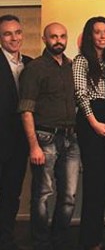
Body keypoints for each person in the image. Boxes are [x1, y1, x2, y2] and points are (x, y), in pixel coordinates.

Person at [18, 22, 79, 250]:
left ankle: (60, 240)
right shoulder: (35, 68)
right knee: (43, 194)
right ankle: (41, 243)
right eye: (53, 36)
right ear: (45, 39)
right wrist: (33, 146)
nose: (58, 40)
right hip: (45, 138)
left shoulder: (72, 66)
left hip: (71, 139)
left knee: (69, 196)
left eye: (62, 36)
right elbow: (26, 110)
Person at [73, 17, 105, 250]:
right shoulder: (82, 60)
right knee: (93, 183)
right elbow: (81, 95)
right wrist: (95, 123)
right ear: (89, 35)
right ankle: (89, 240)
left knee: (104, 184)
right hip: (91, 121)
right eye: (97, 32)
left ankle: (96, 236)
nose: (102, 36)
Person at [0, 15, 32, 250]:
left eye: (17, 32)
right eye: (7, 33)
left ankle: (6, 239)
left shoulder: (30, 64)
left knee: (12, 194)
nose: (14, 38)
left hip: (20, 142)